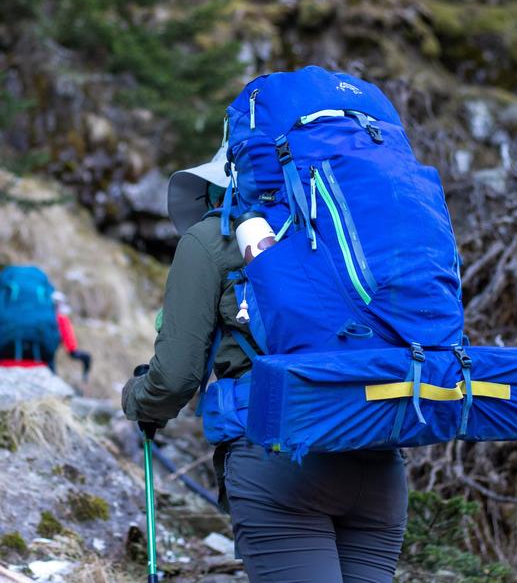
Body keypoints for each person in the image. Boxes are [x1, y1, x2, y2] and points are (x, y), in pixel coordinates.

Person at [121, 146, 408, 583]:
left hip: (280, 458)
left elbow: (176, 376)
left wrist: (140, 401)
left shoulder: (211, 238)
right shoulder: (348, 233)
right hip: (378, 459)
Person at [0, 267, 91, 377]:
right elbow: (62, 321)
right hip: (42, 362)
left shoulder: (5, 297)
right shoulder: (46, 299)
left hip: (5, 360)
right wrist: (73, 351)